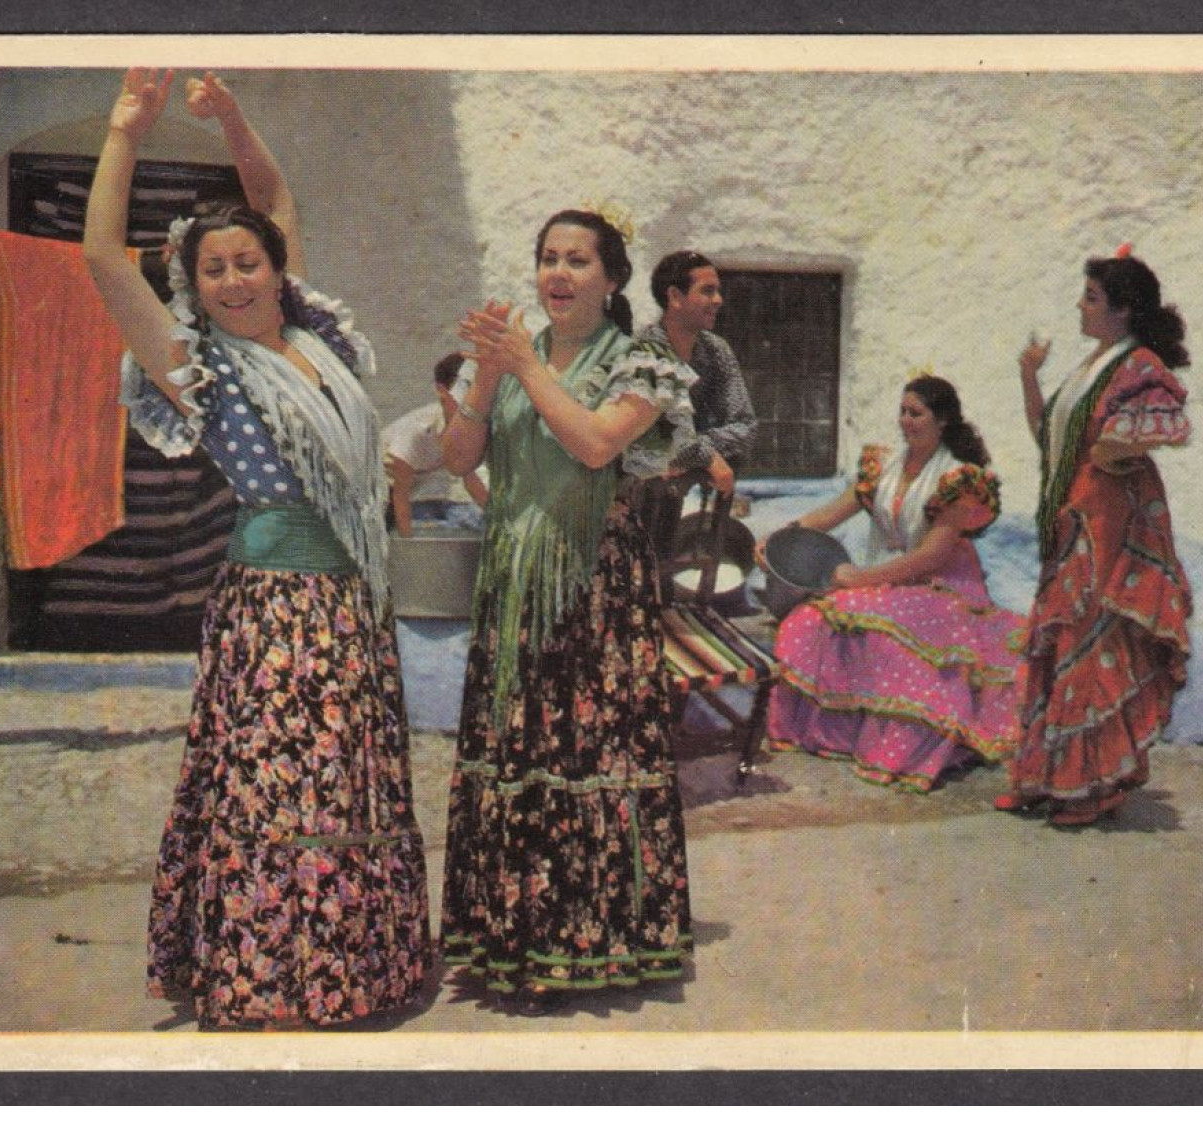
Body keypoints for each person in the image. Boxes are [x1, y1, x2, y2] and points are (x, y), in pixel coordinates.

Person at [82, 68, 429, 1029]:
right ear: (190, 286)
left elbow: (274, 199)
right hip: (276, 613)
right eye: (212, 269)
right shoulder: (203, 369)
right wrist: (127, 131)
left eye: (249, 262)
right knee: (281, 790)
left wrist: (232, 118)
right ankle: (268, 977)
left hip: (350, 601)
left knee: (343, 782)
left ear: (276, 271)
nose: (235, 279)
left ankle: (350, 969)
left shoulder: (316, 344)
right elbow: (106, 261)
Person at [437, 207, 698, 1008]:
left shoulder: (643, 362)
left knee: (583, 761)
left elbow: (593, 444)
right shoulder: (521, 357)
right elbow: (457, 457)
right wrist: (487, 374)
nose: (558, 273)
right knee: (516, 759)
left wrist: (524, 365)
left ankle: (591, 941)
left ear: (612, 278)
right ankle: (510, 937)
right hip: (513, 582)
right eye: (548, 258)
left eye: (578, 260)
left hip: (592, 592)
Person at [995, 247, 1192, 827]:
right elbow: (1047, 437)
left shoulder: (1138, 365)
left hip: (1109, 523)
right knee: (1059, 639)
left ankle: (1090, 786)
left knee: (1088, 633)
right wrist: (1029, 376)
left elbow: (1165, 427)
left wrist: (1114, 449)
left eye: (1092, 298)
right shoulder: (1092, 368)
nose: (1081, 307)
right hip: (1072, 517)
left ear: (1123, 310)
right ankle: (1048, 777)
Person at [760, 375, 1026, 793]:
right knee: (809, 618)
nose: (906, 421)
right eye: (902, 412)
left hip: (940, 586)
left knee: (881, 634)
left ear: (943, 422)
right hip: (883, 583)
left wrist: (860, 580)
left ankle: (900, 747)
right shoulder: (882, 468)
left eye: (916, 413)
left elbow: (931, 558)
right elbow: (829, 515)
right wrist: (778, 538)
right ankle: (830, 735)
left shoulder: (958, 480)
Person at [632, 250, 757, 559]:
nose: (719, 300)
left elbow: (745, 425)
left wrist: (693, 452)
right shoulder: (643, 351)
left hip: (674, 490)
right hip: (627, 499)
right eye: (708, 291)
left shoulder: (716, 351)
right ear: (675, 296)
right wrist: (706, 457)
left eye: (718, 291)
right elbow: (653, 436)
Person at [382, 351, 490, 536]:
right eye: (463, 391)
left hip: (405, 496)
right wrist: (410, 549)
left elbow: (471, 481)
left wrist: (499, 522)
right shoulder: (417, 431)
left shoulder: (469, 429)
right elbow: (400, 494)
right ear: (442, 391)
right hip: (377, 496)